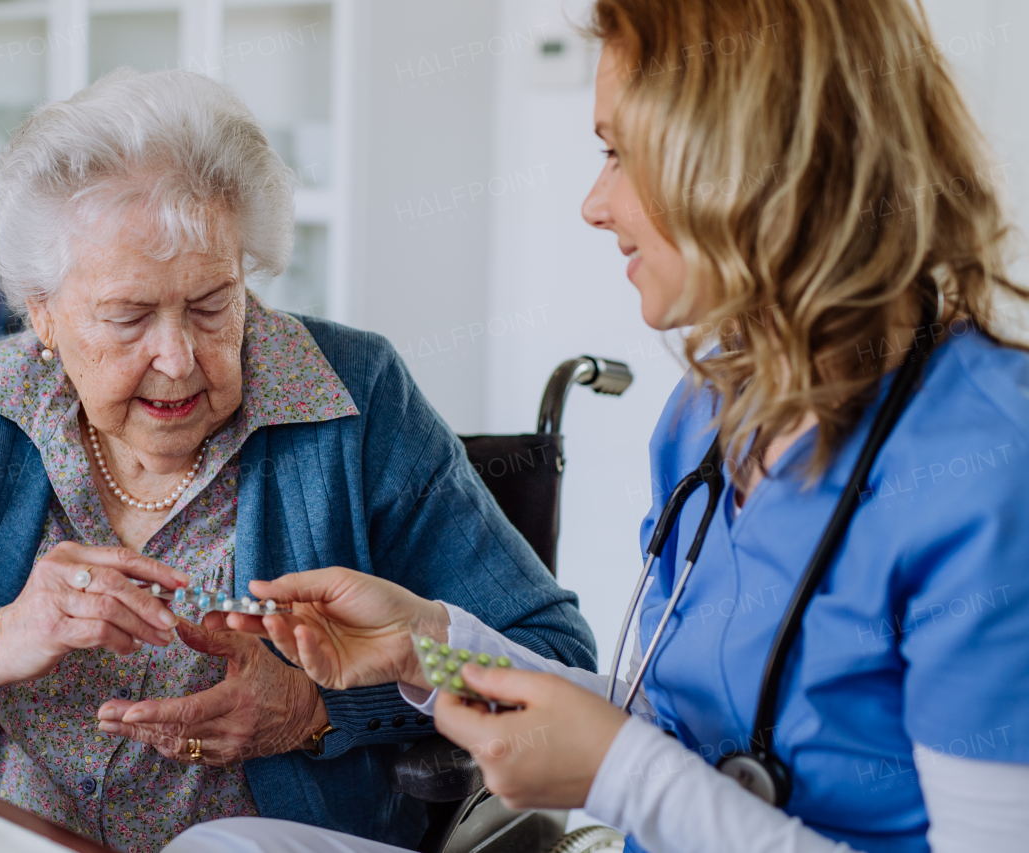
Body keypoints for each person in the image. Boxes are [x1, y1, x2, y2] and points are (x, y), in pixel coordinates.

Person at [154, 1, 1029, 851]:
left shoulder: (987, 467)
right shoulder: (711, 417)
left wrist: (620, 776)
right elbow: (656, 722)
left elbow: (635, 762)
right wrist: (428, 650)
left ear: (751, 159)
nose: (594, 203)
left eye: (618, 153)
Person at [0, 70, 596, 853]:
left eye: (211, 304)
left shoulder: (357, 401)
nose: (179, 357)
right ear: (41, 313)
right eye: (128, 316)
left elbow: (550, 657)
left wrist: (320, 708)